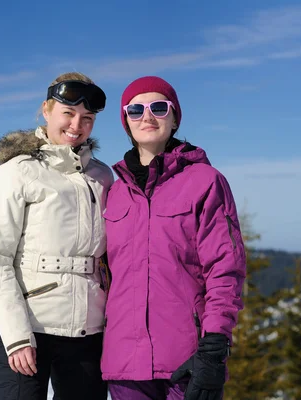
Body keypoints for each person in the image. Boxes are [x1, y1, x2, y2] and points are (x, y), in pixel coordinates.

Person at [101, 76, 246, 400]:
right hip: (124, 366)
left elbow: (226, 268)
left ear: (175, 117)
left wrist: (213, 349)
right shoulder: (115, 192)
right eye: (136, 109)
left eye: (159, 107)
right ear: (126, 121)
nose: (147, 116)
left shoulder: (205, 181)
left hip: (187, 362)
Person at [0, 72, 113, 400]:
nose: (76, 125)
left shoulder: (102, 176)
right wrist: (16, 336)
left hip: (88, 331)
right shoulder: (16, 171)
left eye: (88, 118)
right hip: (30, 328)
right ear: (46, 110)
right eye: (68, 114)